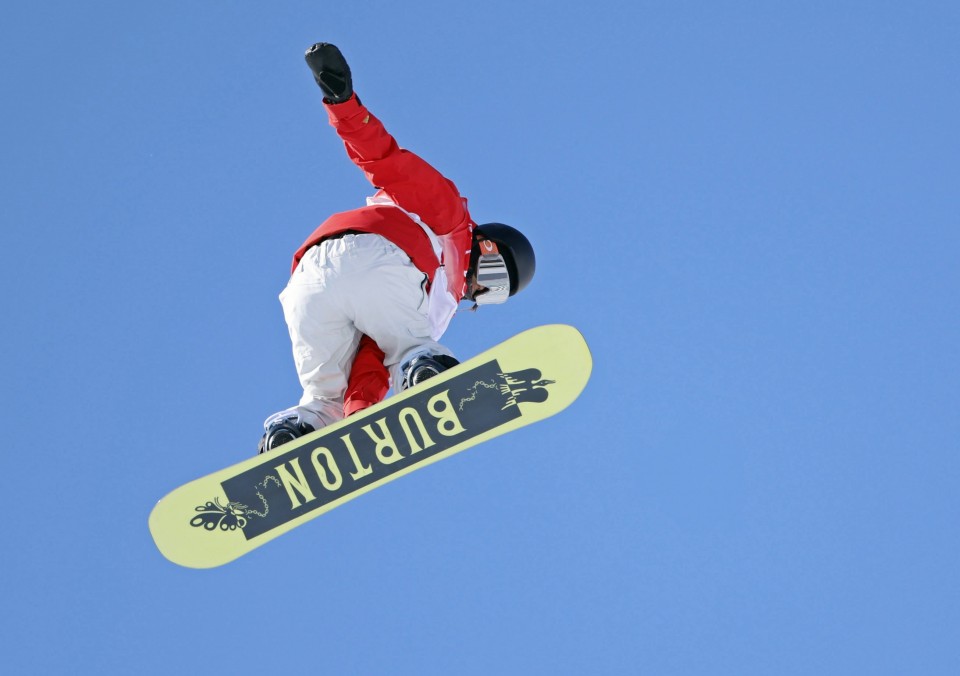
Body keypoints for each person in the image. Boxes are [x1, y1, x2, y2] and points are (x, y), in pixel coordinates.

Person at [258, 43, 536, 454]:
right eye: (493, 278)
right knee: (413, 344)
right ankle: (425, 368)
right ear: (486, 245)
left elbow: (369, 363)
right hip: (379, 257)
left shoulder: (434, 277)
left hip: (306, 283)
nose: (477, 291)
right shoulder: (452, 223)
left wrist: (358, 420)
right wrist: (344, 104)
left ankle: (298, 429)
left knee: (324, 392)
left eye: (491, 296)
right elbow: (383, 158)